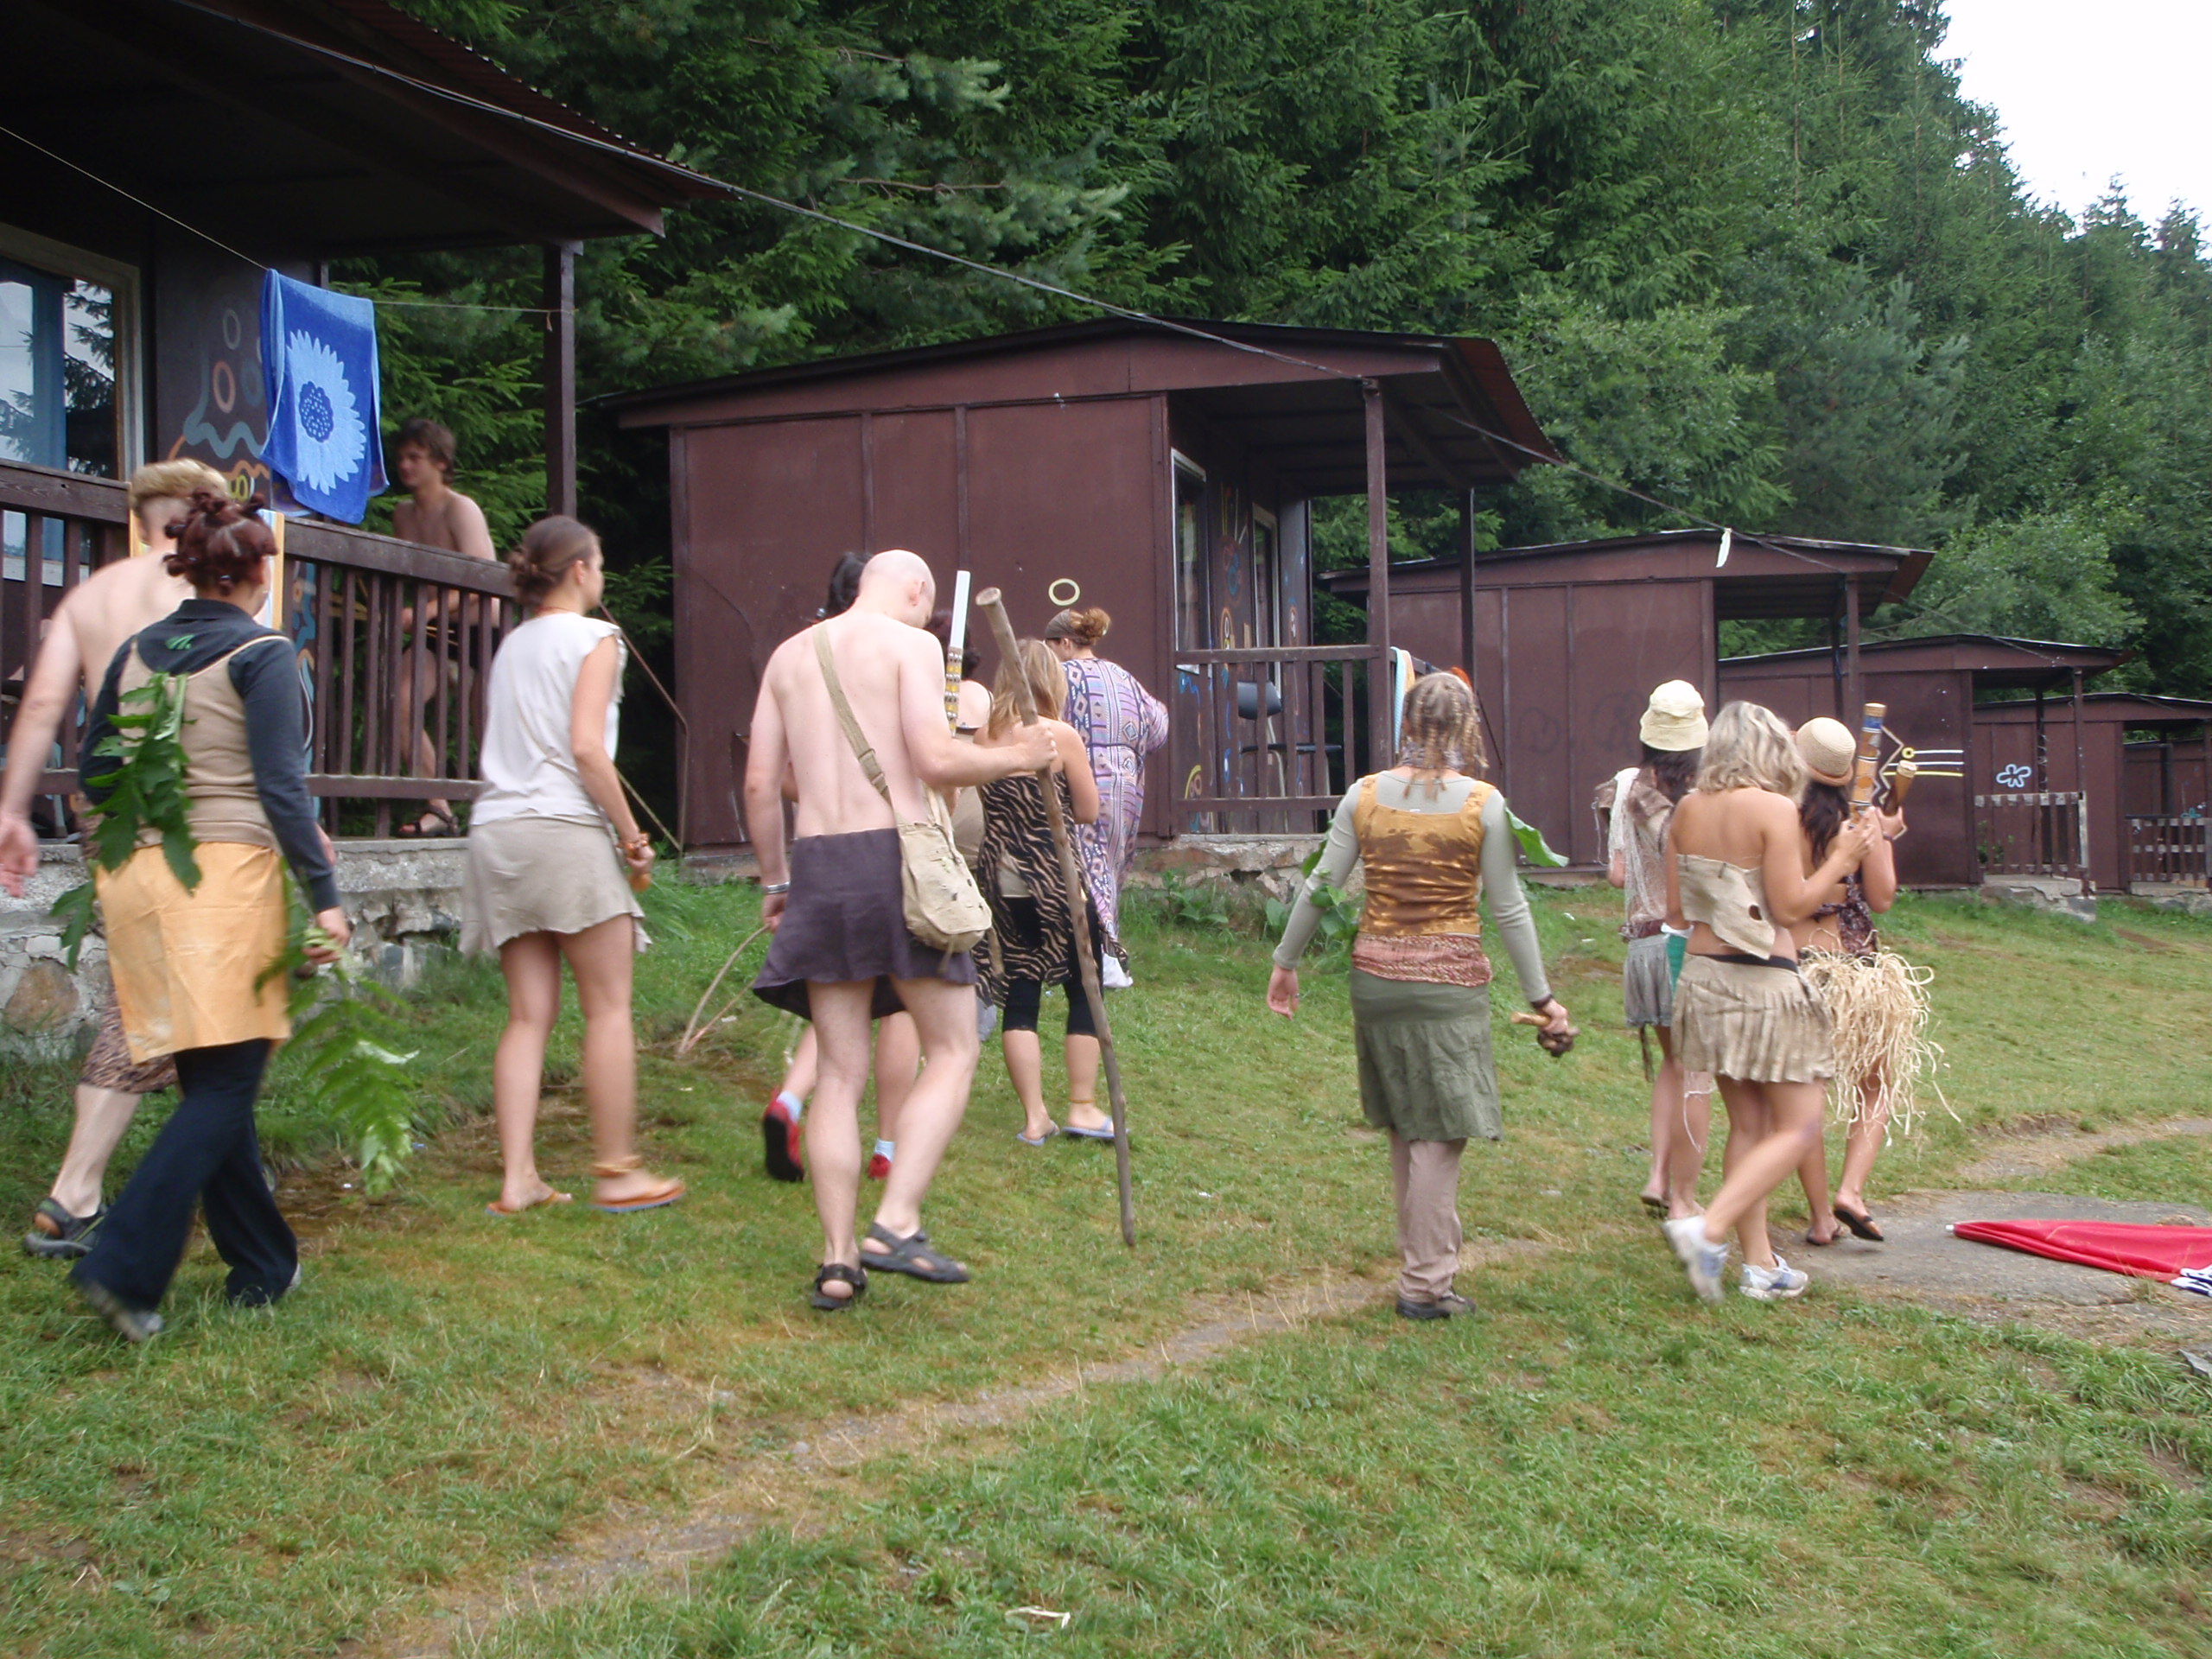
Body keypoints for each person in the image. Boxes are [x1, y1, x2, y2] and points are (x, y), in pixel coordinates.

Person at [66, 491, 351, 1340]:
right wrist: (325, 898)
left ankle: (262, 1265)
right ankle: (122, 1267)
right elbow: (281, 786)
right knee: (227, 1083)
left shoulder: (135, 651)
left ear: (189, 569)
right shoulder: (264, 653)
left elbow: (95, 771)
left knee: (210, 1080)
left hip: (139, 877)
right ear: (259, 571)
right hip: (222, 883)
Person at [744, 550, 1053, 1312]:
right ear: (916, 590)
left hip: (820, 867)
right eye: (927, 601)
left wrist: (776, 881)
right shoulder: (910, 645)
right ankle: (897, 1220)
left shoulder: (789, 656)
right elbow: (936, 761)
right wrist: (1021, 753)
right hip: (898, 863)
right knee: (952, 1048)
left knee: (837, 1076)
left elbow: (759, 781)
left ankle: (838, 1260)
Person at [1266, 673, 1572, 1321]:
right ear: (1466, 730)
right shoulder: (1484, 804)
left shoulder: (1364, 795)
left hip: (1375, 982)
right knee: (1439, 1131)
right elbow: (1509, 909)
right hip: (1446, 988)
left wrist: (1285, 963)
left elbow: (1321, 886)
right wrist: (1542, 997)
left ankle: (1424, 1261)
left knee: (1408, 1125)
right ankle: (1426, 1284)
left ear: (1405, 723)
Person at [2, 459, 227, 1259]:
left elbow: (41, 705)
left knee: (175, 995)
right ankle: (74, 1196)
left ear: (138, 518)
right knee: (152, 999)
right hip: (187, 812)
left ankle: (223, 1184)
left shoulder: (91, 597)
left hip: (108, 813)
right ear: (204, 513)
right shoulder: (206, 591)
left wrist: (12, 810)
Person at [460, 516, 683, 1217]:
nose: (603, 576)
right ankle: (617, 1172)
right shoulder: (596, 638)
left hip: (496, 830)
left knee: (528, 1015)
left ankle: (518, 1179)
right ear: (581, 570)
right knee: (608, 1006)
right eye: (601, 564)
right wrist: (630, 835)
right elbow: (587, 748)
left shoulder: (512, 645)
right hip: (561, 828)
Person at [1660, 702, 1878, 1305]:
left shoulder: (1688, 808)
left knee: (1750, 1125)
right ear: (1769, 750)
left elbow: (1676, 909)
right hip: (1764, 981)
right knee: (1800, 1124)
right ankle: (1707, 1229)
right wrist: (1842, 860)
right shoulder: (1774, 808)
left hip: (1704, 977)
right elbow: (1790, 907)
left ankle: (1760, 1266)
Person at [1787, 717, 1920, 1248]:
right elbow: (1882, 898)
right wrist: (1884, 836)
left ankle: (1822, 1218)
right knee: (1877, 1082)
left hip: (1796, 963)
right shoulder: (1861, 819)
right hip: (1857, 968)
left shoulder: (1780, 813)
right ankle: (1852, 1191)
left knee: (1806, 1094)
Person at [974, 639, 1103, 1145]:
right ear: (1052, 681)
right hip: (1055, 877)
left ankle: (1034, 1117)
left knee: (1021, 989)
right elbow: (1088, 810)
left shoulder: (984, 737)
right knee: (1083, 985)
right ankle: (1083, 1107)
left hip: (1004, 877)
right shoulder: (1058, 736)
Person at [1592, 681, 1710, 1224]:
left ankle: (1658, 1177)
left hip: (1640, 945)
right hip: (1682, 943)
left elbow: (1617, 873)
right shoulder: (1699, 797)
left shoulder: (1625, 785)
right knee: (1695, 1072)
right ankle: (1683, 1193)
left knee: (1671, 1064)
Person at [1046, 607, 1167, 988]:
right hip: (1126, 786)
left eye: (1051, 647)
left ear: (1065, 643)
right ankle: (1101, 954)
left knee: (1086, 865)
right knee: (1109, 867)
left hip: (1082, 780)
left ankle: (1103, 958)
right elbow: (1158, 725)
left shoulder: (1060, 677)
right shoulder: (1122, 675)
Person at [390, 417, 497, 837]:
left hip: (482, 634)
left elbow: (483, 579)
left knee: (486, 726)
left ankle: (504, 812)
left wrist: (427, 610)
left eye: (415, 457)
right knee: (399, 699)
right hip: (436, 634)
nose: (405, 465)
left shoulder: (460, 508)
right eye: (401, 457)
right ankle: (438, 808)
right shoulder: (403, 514)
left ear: (440, 462)